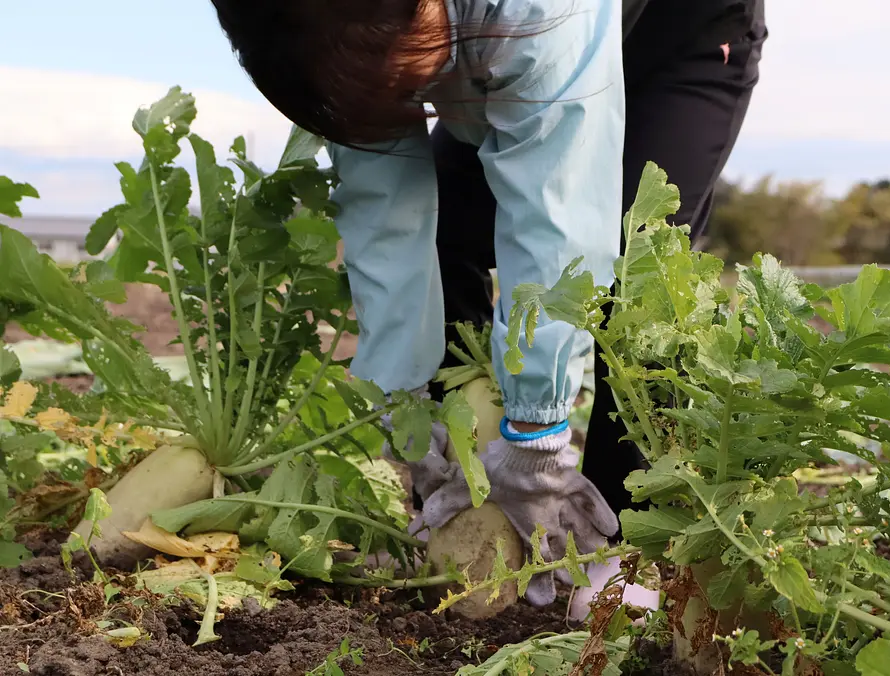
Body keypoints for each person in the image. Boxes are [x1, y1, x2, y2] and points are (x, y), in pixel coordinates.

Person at [210, 0, 767, 619]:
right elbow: (386, 217)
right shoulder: (319, 47)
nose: (415, 100)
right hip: (493, 52)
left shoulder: (535, 11)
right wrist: (404, 398)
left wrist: (538, 432)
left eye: (411, 77)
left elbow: (558, 222)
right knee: (450, 225)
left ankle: (626, 550)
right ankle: (469, 477)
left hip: (676, 38)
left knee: (639, 280)